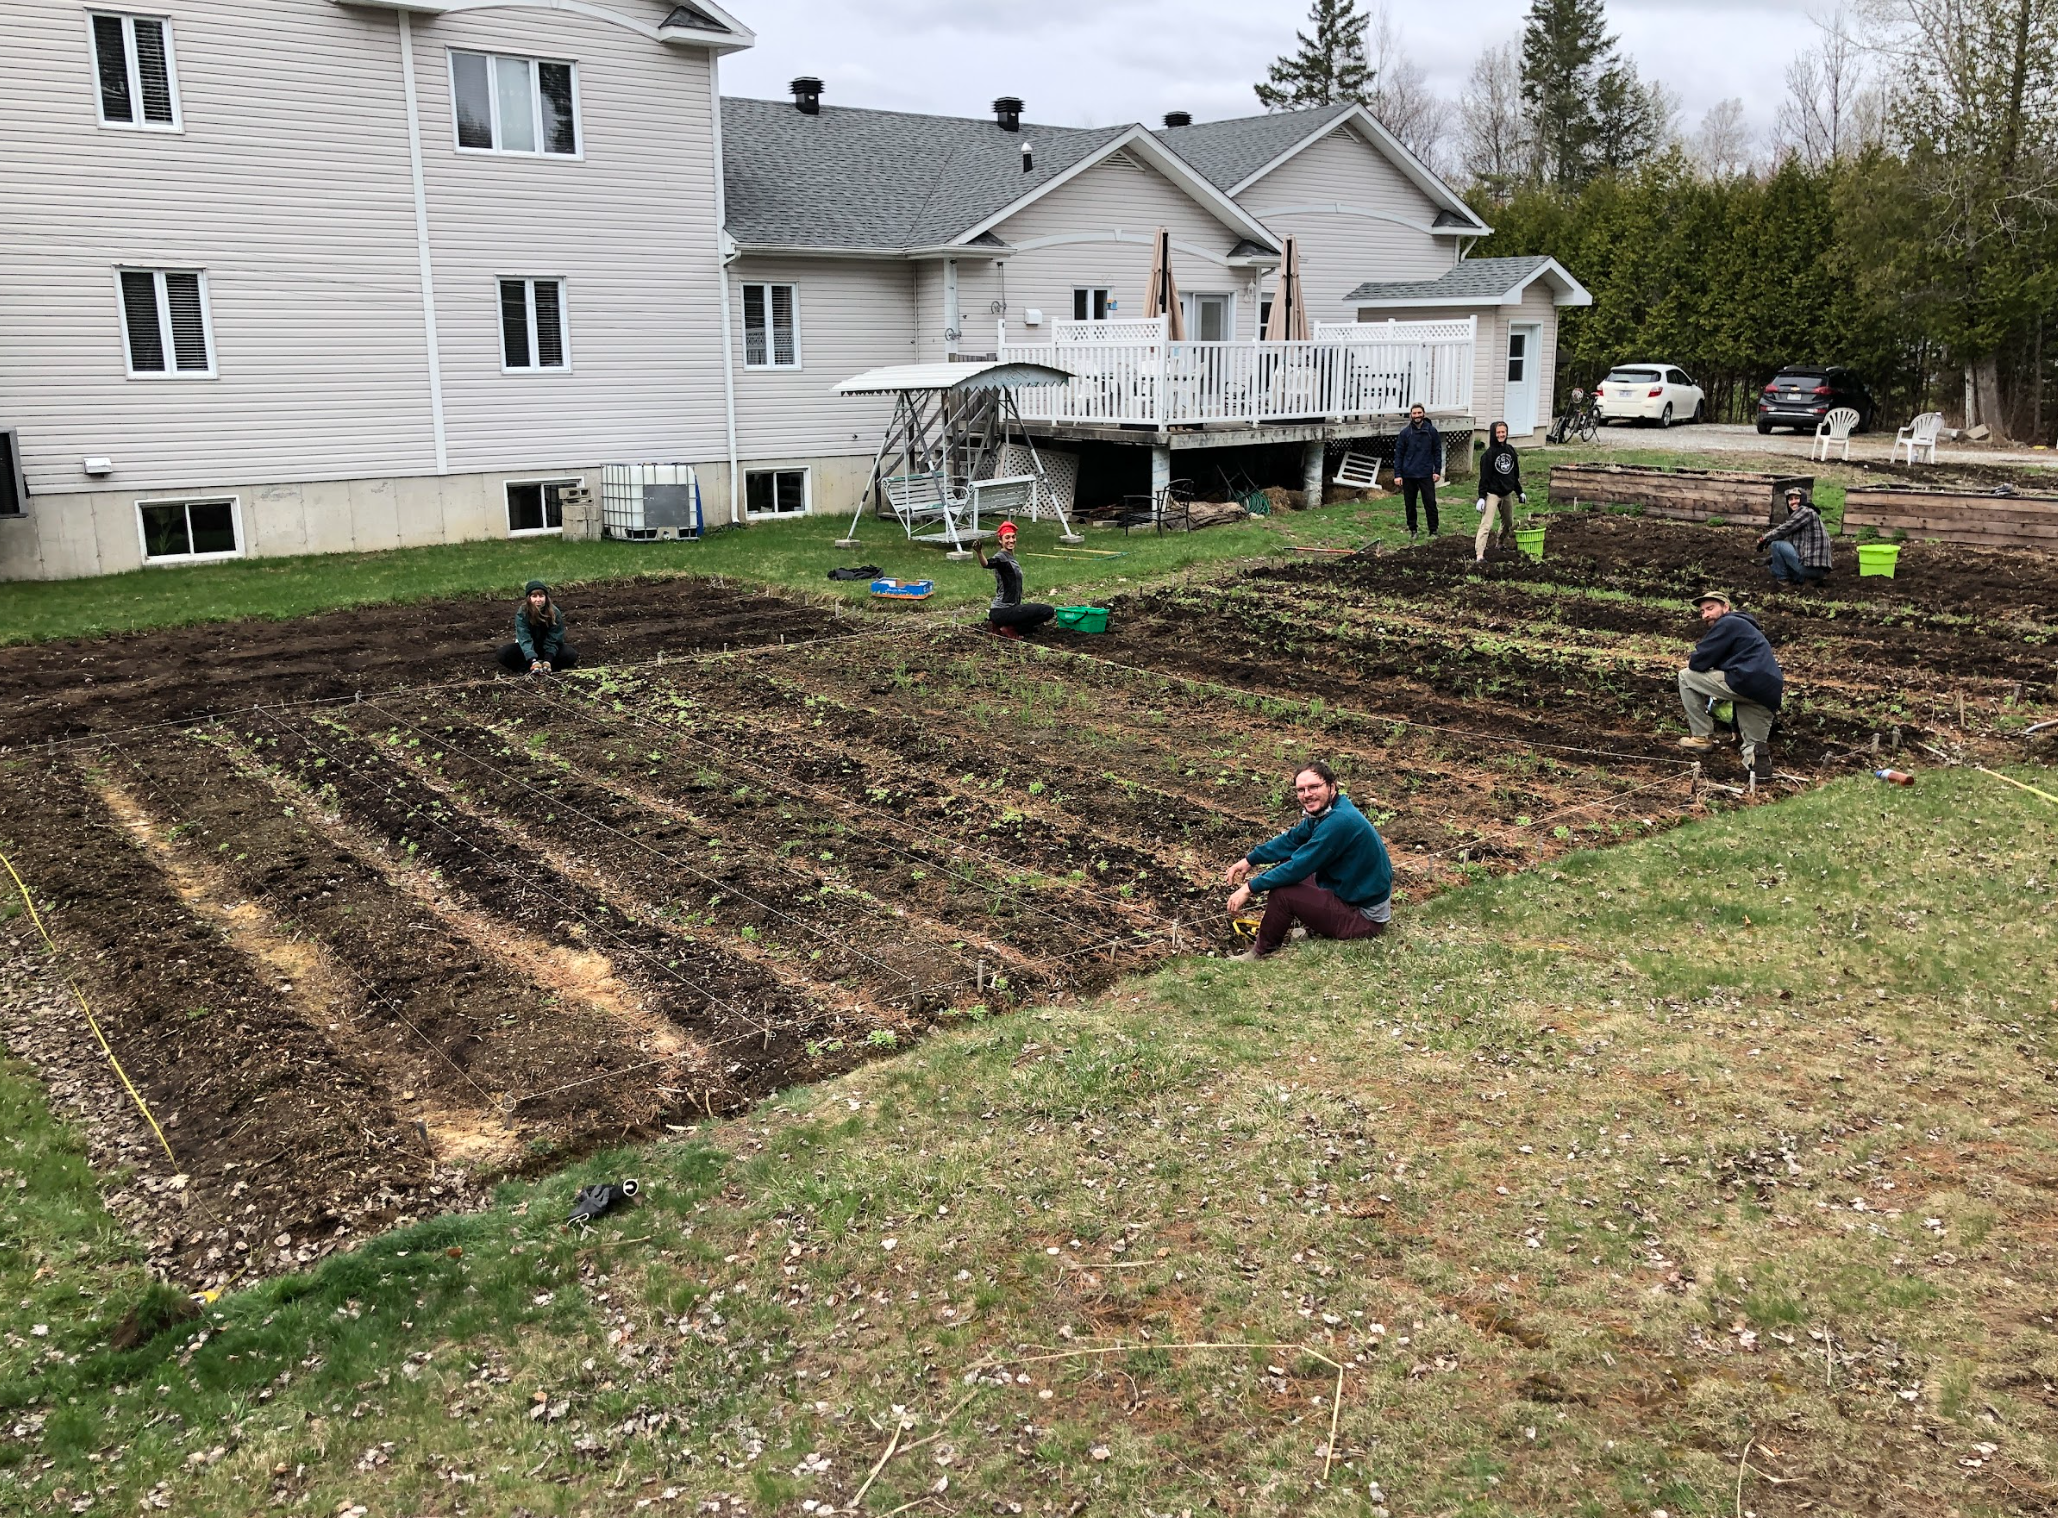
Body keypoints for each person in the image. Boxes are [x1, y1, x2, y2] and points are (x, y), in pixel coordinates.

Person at [1223, 761, 1395, 962]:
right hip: (1350, 894)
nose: (1307, 794)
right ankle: (1295, 925)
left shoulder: (1339, 822)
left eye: (1314, 787)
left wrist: (1249, 888)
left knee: (1283, 892)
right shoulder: (1331, 810)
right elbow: (1293, 839)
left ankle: (1260, 952)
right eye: (1301, 790)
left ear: (1332, 786)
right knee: (1286, 865)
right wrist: (1250, 859)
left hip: (1364, 918)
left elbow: (1299, 867)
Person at [1676, 590, 1782, 780]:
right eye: (1702, 612)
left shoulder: (1728, 622)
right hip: (1766, 691)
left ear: (1726, 607)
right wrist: (1734, 724)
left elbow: (1697, 662)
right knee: (1753, 744)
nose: (1706, 615)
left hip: (1745, 681)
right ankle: (1755, 762)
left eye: (1710, 608)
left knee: (1686, 677)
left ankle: (1701, 737)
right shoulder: (1747, 628)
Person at [974, 520, 1053, 639]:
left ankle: (1000, 626)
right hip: (1003, 610)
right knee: (1047, 611)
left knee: (1033, 626)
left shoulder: (1010, 557)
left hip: (1009, 609)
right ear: (1000, 540)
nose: (1011, 540)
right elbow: (987, 564)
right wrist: (979, 552)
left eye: (1013, 537)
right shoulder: (1001, 558)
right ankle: (1010, 628)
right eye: (1007, 538)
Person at [497, 579, 579, 674]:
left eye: (541, 596)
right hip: (529, 648)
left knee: (570, 654)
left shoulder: (555, 612)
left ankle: (549, 667)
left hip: (547, 649)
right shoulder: (522, 613)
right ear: (529, 598)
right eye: (534, 596)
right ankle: (529, 668)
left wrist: (548, 660)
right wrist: (532, 659)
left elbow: (555, 638)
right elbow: (524, 638)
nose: (538, 599)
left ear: (546, 597)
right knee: (503, 654)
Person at [1474, 420, 1526, 563]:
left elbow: (1514, 475)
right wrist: (1481, 497)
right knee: (1486, 524)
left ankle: (1500, 543)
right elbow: (1484, 478)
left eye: (1503, 432)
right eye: (1498, 432)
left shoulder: (1510, 451)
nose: (1501, 435)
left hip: (1507, 493)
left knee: (1508, 522)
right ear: (1493, 434)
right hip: (1492, 494)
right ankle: (1479, 554)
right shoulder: (1488, 455)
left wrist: (1519, 492)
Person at [1758, 487, 1832, 585]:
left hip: (1812, 568)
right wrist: (1770, 559)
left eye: (1796, 498)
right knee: (1774, 566)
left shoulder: (1805, 511)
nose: (1793, 502)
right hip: (1817, 570)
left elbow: (1784, 529)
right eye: (1790, 499)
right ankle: (1806, 580)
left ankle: (1783, 580)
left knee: (1776, 544)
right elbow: (1794, 549)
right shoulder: (1808, 514)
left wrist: (1765, 538)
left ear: (1803, 499)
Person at [1392, 404, 1444, 538]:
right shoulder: (1405, 433)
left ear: (1424, 414)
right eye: (1414, 413)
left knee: (1430, 503)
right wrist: (1398, 474)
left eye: (1419, 413)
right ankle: (1413, 530)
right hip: (1408, 474)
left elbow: (1437, 451)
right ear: (1411, 415)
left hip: (1426, 473)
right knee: (1410, 504)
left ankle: (1433, 530)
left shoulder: (1431, 431)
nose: (1417, 415)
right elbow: (1399, 454)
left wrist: (1437, 471)